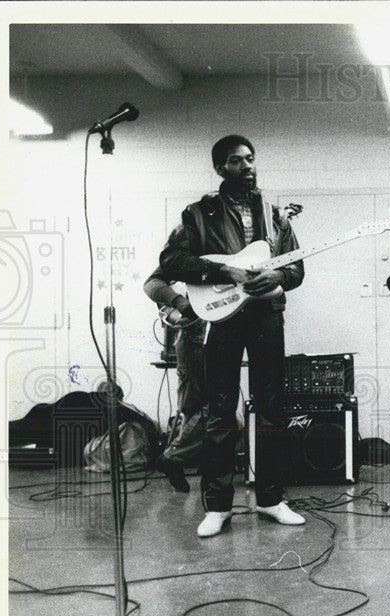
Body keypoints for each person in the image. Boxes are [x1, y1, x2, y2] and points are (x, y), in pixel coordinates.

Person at [159, 134, 306, 537]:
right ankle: (218, 505)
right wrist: (225, 271)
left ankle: (272, 499)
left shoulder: (276, 216)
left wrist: (281, 274)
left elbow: (297, 269)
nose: (248, 166)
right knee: (220, 409)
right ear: (220, 167)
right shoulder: (198, 213)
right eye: (237, 160)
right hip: (222, 317)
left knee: (272, 406)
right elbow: (170, 259)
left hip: (266, 317)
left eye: (251, 158)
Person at [143, 270, 205, 492]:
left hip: (214, 341)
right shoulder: (180, 260)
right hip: (193, 342)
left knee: (196, 410)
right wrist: (181, 313)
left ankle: (176, 459)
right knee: (199, 407)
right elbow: (152, 286)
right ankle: (173, 458)